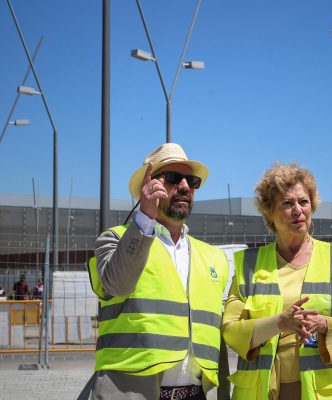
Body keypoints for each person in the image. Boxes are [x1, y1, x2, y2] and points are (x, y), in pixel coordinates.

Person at [87, 143, 229, 400]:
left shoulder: (214, 258)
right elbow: (116, 285)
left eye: (192, 181)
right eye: (174, 178)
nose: (185, 187)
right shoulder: (115, 240)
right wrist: (144, 218)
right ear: (149, 185)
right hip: (130, 394)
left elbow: (212, 334)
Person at [221, 162, 332, 399]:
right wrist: (279, 323)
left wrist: (325, 325)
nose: (298, 210)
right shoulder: (248, 265)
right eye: (287, 203)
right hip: (263, 391)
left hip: (324, 392)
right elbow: (231, 331)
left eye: (304, 202)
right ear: (269, 212)